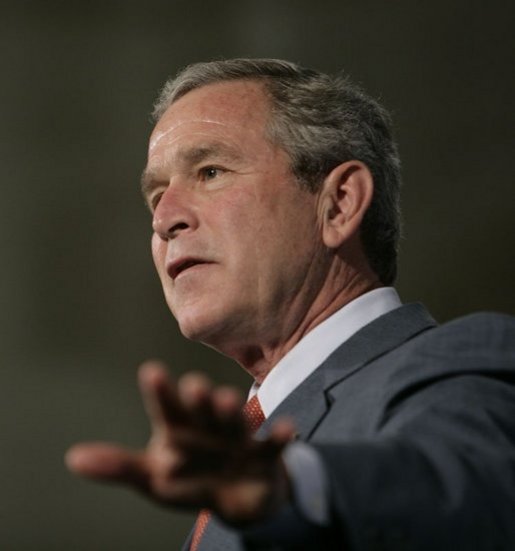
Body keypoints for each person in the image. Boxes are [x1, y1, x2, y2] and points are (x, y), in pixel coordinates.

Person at [65, 58, 515, 550]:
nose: (164, 219)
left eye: (210, 171)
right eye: (155, 196)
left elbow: (464, 490)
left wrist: (292, 486)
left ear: (338, 204)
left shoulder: (465, 360)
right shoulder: (240, 450)